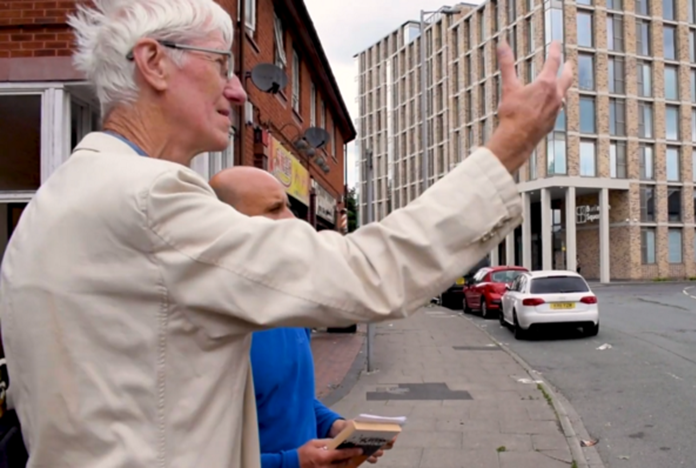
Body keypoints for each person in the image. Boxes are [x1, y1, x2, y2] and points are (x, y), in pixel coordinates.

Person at [0, 0, 573, 466]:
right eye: (221, 65)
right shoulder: (147, 201)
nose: (238, 91)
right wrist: (509, 147)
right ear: (152, 62)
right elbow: (365, 274)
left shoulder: (49, 209)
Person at [209, 167, 391, 468]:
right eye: (274, 209)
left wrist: (334, 426)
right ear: (229, 228)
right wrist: (292, 462)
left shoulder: (291, 306)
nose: (293, 221)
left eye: (289, 207)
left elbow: (292, 400)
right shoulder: (212, 324)